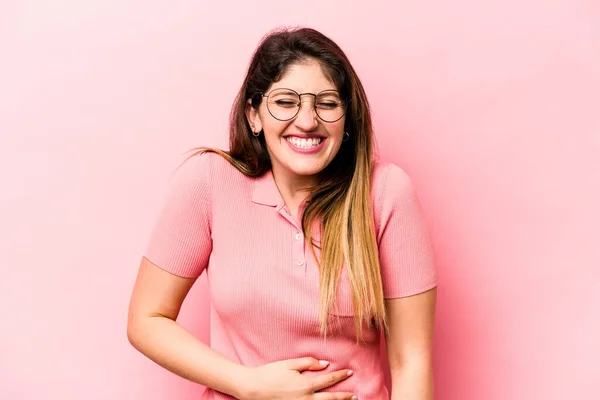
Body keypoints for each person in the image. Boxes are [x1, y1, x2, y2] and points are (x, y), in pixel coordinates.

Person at [127, 27, 438, 400]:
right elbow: (146, 319)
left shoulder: (386, 193)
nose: (307, 121)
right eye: (286, 102)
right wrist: (249, 385)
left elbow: (411, 360)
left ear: (348, 119)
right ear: (254, 115)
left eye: (326, 103)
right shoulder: (210, 183)